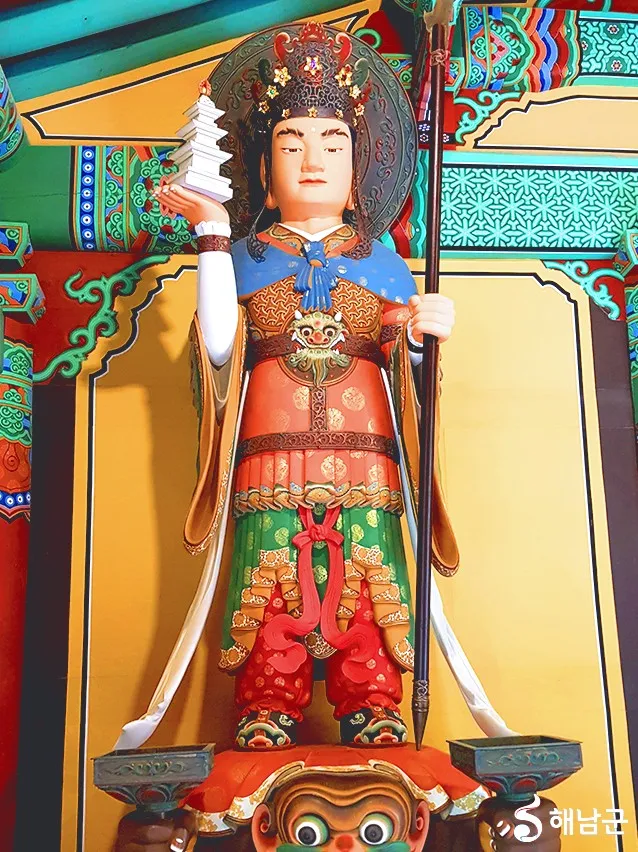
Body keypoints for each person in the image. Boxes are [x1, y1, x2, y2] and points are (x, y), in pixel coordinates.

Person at [154, 21, 459, 751]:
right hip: (270, 450)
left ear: (360, 169)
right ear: (265, 171)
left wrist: (422, 338)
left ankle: (372, 702)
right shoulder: (246, 257)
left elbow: (405, 363)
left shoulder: (382, 263)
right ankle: (269, 704)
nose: (313, 159)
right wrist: (213, 238)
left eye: (333, 144)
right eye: (291, 144)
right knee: (269, 575)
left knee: (371, 576)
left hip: (366, 452)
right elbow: (220, 347)